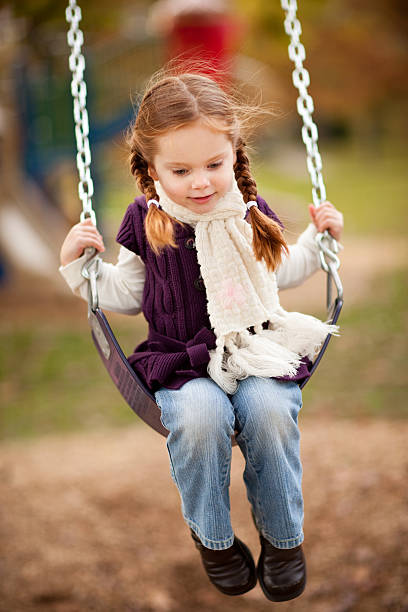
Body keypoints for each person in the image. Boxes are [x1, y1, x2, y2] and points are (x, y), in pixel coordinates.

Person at [59, 71, 343, 602]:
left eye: (214, 165)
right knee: (200, 417)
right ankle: (214, 539)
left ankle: (283, 541)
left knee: (269, 413)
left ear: (234, 153)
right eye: (181, 170)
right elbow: (125, 293)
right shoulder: (146, 221)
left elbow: (280, 271)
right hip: (182, 361)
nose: (201, 183)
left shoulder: (249, 213)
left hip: (256, 351)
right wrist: (82, 270)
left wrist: (320, 241)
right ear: (151, 169)